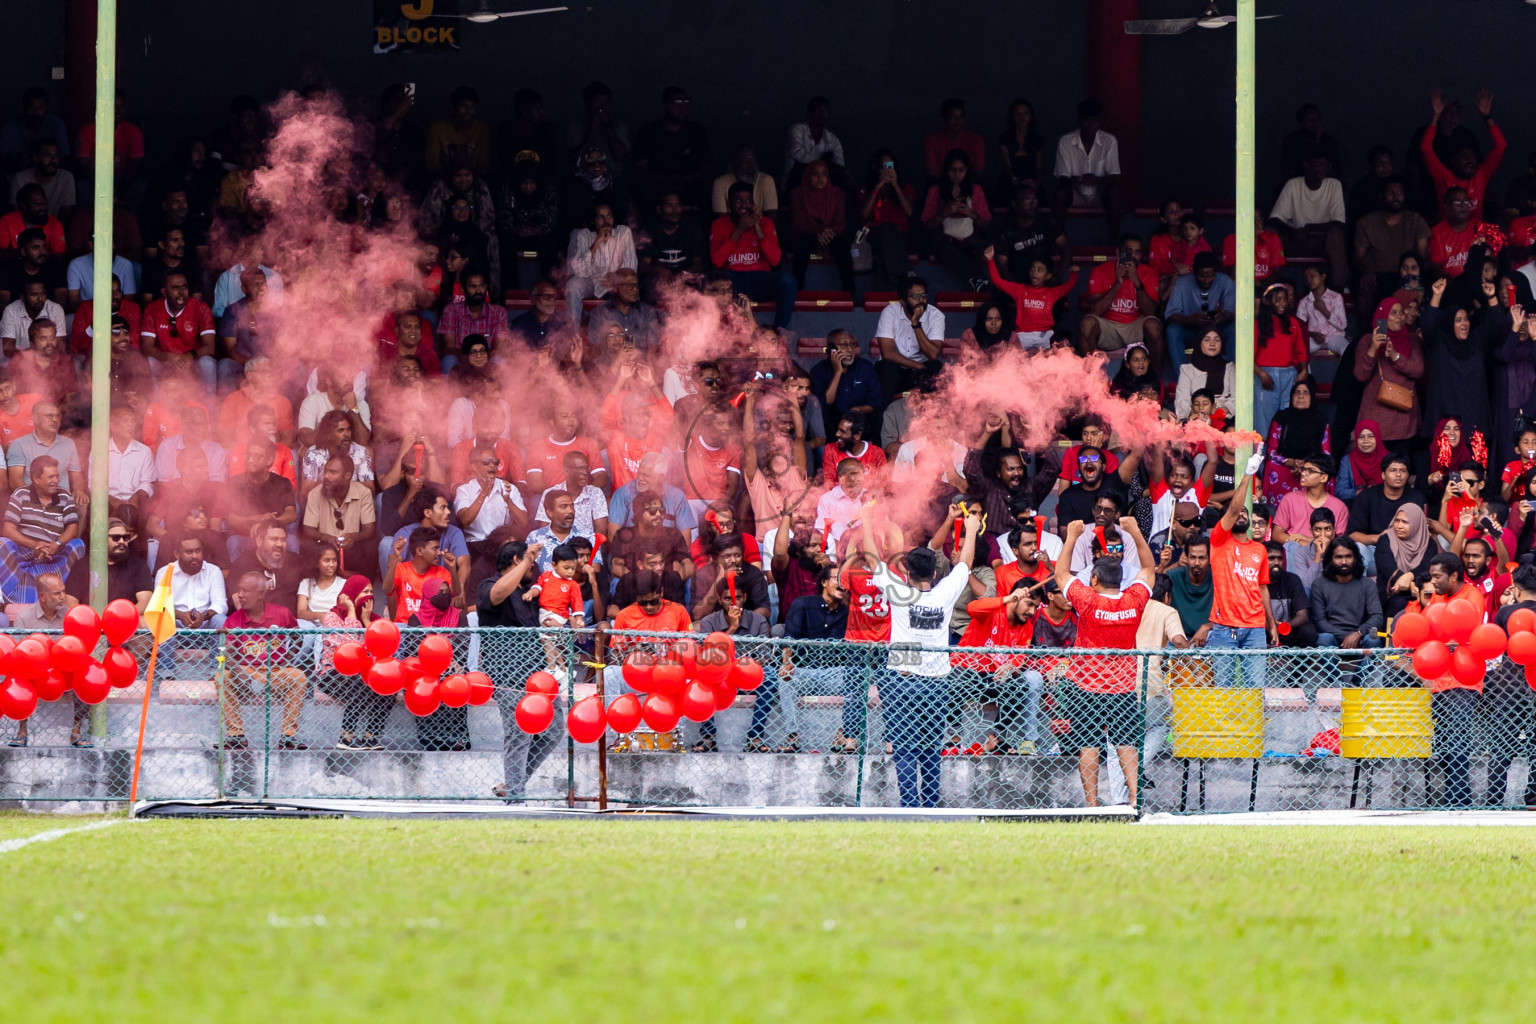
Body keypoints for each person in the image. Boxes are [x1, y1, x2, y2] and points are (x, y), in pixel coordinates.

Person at [873, 509, 982, 808]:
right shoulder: (944, 593)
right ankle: (931, 804)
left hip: (901, 682)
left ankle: (910, 805)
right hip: (935, 684)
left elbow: (872, 559)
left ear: (907, 574)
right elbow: (965, 564)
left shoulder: (898, 592)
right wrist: (970, 528)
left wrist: (868, 521)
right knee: (930, 748)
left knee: (905, 749)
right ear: (934, 573)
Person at [1054, 513, 1153, 807]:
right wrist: (1136, 532)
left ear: (1094, 579)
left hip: (1086, 688)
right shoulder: (1134, 600)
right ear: (1121, 579)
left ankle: (1092, 806)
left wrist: (1071, 537)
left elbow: (1060, 575)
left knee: (1089, 745)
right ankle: (1136, 801)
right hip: (1122, 688)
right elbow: (1149, 567)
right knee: (1126, 744)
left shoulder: (1087, 600)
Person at [747, 565, 852, 754]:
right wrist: (787, 663)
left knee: (857, 679)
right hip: (803, 672)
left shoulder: (848, 611)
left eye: (845, 580)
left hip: (834, 674)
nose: (842, 584)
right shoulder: (803, 604)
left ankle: (842, 733)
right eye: (837, 578)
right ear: (824, 582)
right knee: (784, 679)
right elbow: (789, 639)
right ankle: (793, 736)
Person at [1205, 454, 1275, 688]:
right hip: (1224, 626)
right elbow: (1233, 508)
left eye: (1246, 513)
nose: (1242, 514)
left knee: (1256, 689)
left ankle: (1253, 726)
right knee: (1223, 689)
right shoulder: (1218, 540)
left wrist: (1271, 624)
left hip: (1255, 626)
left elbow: (1263, 588)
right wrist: (1248, 474)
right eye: (1238, 513)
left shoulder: (1259, 550)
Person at [1423, 552, 1484, 806]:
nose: (1433, 582)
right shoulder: (1436, 597)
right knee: (1445, 744)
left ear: (1454, 576)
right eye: (1432, 576)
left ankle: (1459, 800)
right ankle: (1454, 797)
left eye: (1437, 576)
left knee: (1458, 741)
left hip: (1463, 681)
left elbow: (1462, 635)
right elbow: (1427, 630)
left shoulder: (1472, 596)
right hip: (1438, 682)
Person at [221, 570, 307, 750]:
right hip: (245, 672)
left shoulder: (282, 613)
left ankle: (288, 736)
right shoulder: (234, 620)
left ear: (260, 594)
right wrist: (238, 671)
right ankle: (236, 735)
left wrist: (287, 660)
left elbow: (298, 638)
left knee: (298, 676)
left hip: (274, 671)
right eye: (239, 590)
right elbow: (224, 652)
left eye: (245, 591)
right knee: (222, 677)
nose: (240, 595)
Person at [5, 573, 85, 748]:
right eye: (57, 593)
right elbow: (19, 656)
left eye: (63, 592)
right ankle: (22, 731)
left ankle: (76, 732)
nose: (63, 597)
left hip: (63, 673)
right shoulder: (25, 618)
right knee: (19, 677)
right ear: (42, 596)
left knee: (85, 675)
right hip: (35, 672)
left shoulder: (69, 617)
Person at [1483, 563, 1536, 807]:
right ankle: (1533, 797)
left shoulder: (1505, 614)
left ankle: (1494, 798)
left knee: (1502, 745)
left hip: (1509, 687)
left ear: (1517, 590)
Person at [709, 183, 795, 330]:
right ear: (729, 203)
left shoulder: (766, 223)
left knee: (788, 280)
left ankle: (779, 330)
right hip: (733, 281)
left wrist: (757, 226)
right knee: (712, 281)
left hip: (760, 279)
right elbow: (717, 261)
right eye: (738, 201)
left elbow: (775, 260)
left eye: (748, 201)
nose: (744, 205)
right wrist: (740, 229)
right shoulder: (719, 224)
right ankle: (718, 332)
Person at [0, 455, 83, 603]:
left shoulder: (64, 495)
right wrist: (35, 545)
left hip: (54, 555)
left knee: (78, 545)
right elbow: (8, 529)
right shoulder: (20, 494)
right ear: (36, 479)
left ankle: (65, 597)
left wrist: (55, 544)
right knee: (2, 543)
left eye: (57, 476)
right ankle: (9, 599)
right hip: (24, 554)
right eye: (51, 477)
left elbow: (73, 528)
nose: (56, 481)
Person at [1078, 235, 1164, 374]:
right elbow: (1095, 311)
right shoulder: (1100, 271)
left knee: (1154, 325)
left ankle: (1155, 380)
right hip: (1108, 325)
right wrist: (1118, 283)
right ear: (1119, 253)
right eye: (1129, 252)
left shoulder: (1149, 273)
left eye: (1138, 252)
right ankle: (1089, 378)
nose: (1133, 256)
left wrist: (1137, 283)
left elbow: (1150, 312)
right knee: (1087, 323)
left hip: (1134, 325)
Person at [1353, 295, 1426, 454]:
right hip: (1376, 417)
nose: (1399, 317)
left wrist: (1395, 356)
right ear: (1383, 316)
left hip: (1404, 418)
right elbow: (1360, 375)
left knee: (1400, 468)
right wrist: (1373, 349)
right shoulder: (1367, 340)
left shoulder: (1412, 340)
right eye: (1393, 313)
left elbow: (1418, 370)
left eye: (1401, 312)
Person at [1269, 149, 1349, 288]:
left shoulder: (1334, 185)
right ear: (1307, 165)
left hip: (1320, 242)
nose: (1321, 168)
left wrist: (1310, 229)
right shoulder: (1293, 184)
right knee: (1269, 232)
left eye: (1325, 165)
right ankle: (1268, 285)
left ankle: (1338, 290)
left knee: (1336, 235)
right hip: (1295, 239)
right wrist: (1294, 232)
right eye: (1318, 164)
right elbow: (1274, 219)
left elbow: (1339, 223)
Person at [1420, 88, 1503, 221]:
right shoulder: (1443, 177)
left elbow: (1500, 146)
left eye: (1472, 157)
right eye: (1465, 157)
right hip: (1447, 237)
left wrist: (1487, 117)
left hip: (1476, 237)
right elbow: (1425, 150)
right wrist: (1436, 116)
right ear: (1454, 161)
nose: (1470, 161)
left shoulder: (1480, 176)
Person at [1352, 176, 1431, 317]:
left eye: (1399, 193)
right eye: (1391, 193)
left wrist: (1419, 279)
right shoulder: (1366, 222)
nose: (1396, 197)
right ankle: (1372, 334)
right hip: (1378, 277)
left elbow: (1423, 256)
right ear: (1382, 196)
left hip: (1407, 276)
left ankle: (1416, 334)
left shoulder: (1415, 220)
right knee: (1367, 289)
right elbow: (1359, 257)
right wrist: (1366, 273)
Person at [983, 245, 1076, 351]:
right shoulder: (1020, 290)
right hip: (1023, 335)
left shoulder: (1051, 293)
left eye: (1039, 270)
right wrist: (990, 260)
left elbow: (1069, 285)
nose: (1034, 272)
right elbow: (997, 281)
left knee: (1050, 356)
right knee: (1015, 358)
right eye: (1032, 268)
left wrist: (1074, 273)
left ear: (1048, 276)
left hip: (1044, 335)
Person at [632, 86, 712, 209]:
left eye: (686, 102)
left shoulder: (696, 132)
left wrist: (685, 180)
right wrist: (666, 181)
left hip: (691, 195)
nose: (682, 107)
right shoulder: (648, 133)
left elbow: (706, 165)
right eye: (677, 103)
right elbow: (640, 168)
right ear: (665, 105)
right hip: (656, 197)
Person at [873, 277, 945, 411]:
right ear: (902, 301)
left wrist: (916, 324)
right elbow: (887, 353)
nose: (921, 300)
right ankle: (883, 424)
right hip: (896, 370)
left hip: (921, 373)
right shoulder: (890, 312)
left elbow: (933, 354)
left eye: (924, 295)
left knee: (936, 367)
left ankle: (931, 423)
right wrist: (917, 365)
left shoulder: (936, 315)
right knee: (886, 367)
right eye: (916, 296)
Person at [1053, 100, 1120, 241]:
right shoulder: (1066, 141)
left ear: (1100, 122)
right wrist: (1079, 180)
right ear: (1079, 122)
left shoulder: (1109, 141)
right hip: (1074, 192)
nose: (1090, 126)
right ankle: (1059, 239)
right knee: (1059, 193)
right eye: (1086, 122)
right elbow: (1062, 177)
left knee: (1115, 193)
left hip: (1099, 194)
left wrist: (1096, 180)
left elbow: (1114, 176)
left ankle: (1113, 243)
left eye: (1094, 121)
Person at [141, 270, 217, 395]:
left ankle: (209, 410)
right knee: (149, 362)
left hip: (192, 359)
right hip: (165, 359)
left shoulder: (201, 308)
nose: (181, 293)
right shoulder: (153, 309)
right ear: (164, 292)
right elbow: (147, 347)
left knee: (208, 363)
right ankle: (154, 409)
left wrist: (189, 355)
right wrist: (170, 357)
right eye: (175, 288)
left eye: (184, 287)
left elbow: (210, 347)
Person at [920, 149, 991, 282]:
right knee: (941, 245)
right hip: (945, 241)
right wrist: (943, 213)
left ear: (967, 170)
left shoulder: (975, 190)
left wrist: (971, 214)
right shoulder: (935, 191)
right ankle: (975, 278)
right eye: (952, 170)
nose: (957, 175)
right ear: (946, 170)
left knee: (981, 247)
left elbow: (986, 225)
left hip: (970, 240)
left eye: (961, 170)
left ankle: (975, 279)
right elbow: (926, 227)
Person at [564, 202, 637, 325]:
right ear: (593, 221)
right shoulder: (583, 235)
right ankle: (573, 336)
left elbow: (631, 268)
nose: (606, 221)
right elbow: (579, 271)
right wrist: (597, 242)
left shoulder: (623, 233)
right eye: (601, 217)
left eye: (609, 216)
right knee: (573, 285)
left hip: (617, 285)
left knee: (630, 286)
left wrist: (616, 277)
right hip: (592, 283)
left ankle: (628, 334)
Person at [786, 160, 852, 293]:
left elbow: (840, 222)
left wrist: (830, 232)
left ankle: (849, 292)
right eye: (815, 174)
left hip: (829, 235)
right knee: (801, 247)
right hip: (808, 233)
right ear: (807, 176)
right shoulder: (798, 194)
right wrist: (818, 231)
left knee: (842, 246)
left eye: (824, 174)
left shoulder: (836, 194)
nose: (820, 178)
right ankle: (796, 291)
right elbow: (799, 222)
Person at [856, 149, 918, 289]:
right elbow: (864, 214)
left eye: (890, 166)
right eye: (884, 166)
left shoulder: (904, 187)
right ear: (876, 168)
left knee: (888, 244)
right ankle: (902, 277)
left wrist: (895, 184)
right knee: (887, 230)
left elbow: (909, 211)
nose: (888, 170)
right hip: (873, 234)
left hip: (899, 235)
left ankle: (884, 290)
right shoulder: (865, 189)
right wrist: (878, 186)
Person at [64, 516, 152, 613]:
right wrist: (90, 619)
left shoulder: (138, 564)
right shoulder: (82, 565)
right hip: (91, 624)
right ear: (102, 540)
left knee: (143, 622)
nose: (122, 541)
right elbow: (70, 601)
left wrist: (123, 619)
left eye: (125, 538)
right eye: (116, 538)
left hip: (125, 623)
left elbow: (145, 601)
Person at [1174, 330, 1235, 419]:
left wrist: (1222, 410)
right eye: (1207, 340)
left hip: (1223, 417)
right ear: (1199, 343)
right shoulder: (1187, 370)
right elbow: (1181, 400)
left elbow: (1237, 397)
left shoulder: (1229, 368)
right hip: (1195, 417)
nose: (1212, 344)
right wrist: (1197, 413)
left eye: (1217, 340)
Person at [1167, 534, 1213, 639]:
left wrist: (1207, 627)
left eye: (1202, 558)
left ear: (1209, 559)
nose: (1197, 563)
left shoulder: (1218, 577)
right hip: (1178, 638)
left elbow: (1228, 617)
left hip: (1209, 636)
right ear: (1186, 558)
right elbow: (1154, 590)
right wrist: (1162, 566)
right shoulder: (1174, 576)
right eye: (1192, 557)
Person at [1283, 507, 1336, 594]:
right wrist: (1318, 555)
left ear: (1334, 530)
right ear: (1311, 531)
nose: (1323, 534)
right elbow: (1306, 585)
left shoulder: (1339, 551)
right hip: (1311, 596)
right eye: (1318, 530)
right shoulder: (1301, 553)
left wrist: (1327, 555)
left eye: (1327, 529)